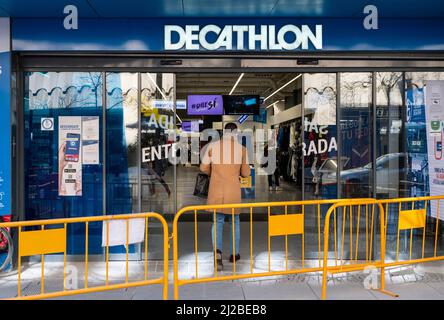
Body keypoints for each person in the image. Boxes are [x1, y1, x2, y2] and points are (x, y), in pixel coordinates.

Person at [200, 123, 250, 271]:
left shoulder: (212, 147)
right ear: (235, 133)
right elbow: (246, 173)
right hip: (233, 192)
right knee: (235, 222)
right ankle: (234, 254)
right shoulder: (242, 150)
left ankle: (218, 255)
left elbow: (203, 168)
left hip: (216, 191)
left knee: (218, 222)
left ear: (223, 132)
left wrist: (215, 174)